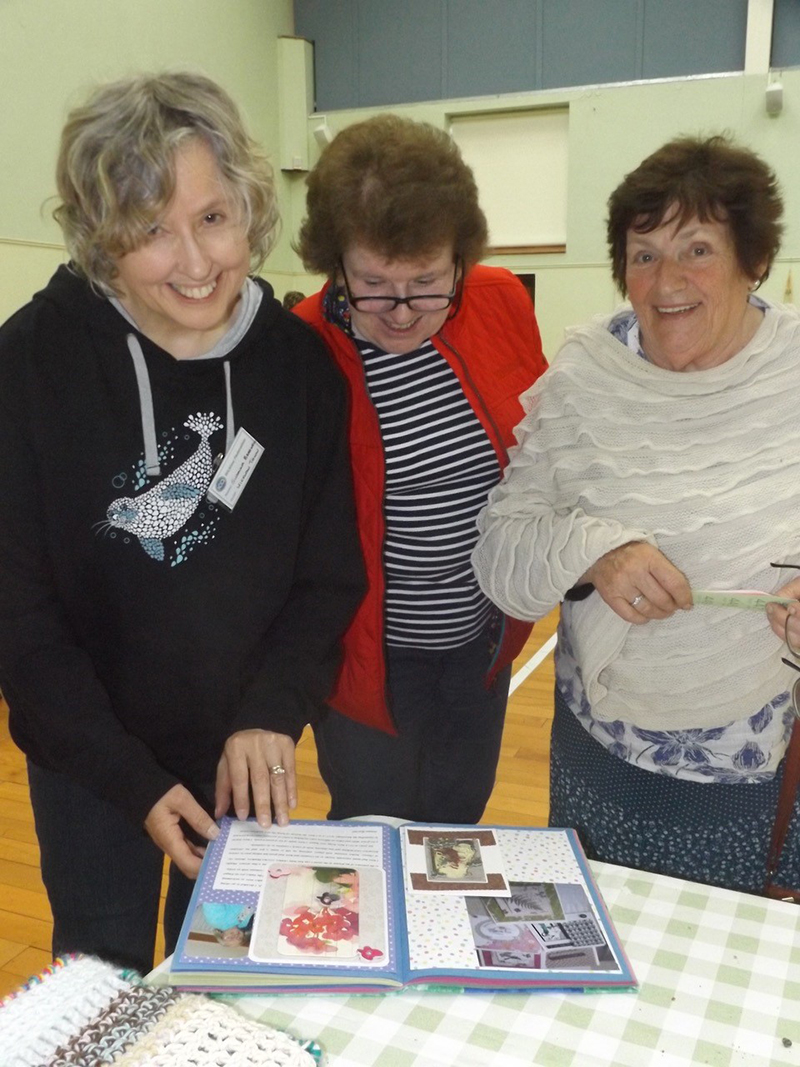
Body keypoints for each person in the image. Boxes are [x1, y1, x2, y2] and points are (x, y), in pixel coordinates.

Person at [0, 71, 365, 973]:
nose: (195, 262)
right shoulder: (28, 366)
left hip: (248, 758)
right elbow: (20, 622)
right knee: (105, 975)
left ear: (249, 210)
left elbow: (328, 578)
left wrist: (274, 714)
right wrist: (127, 778)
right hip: (91, 763)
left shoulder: (300, 367)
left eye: (212, 218)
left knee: (221, 976)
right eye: (152, 230)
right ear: (100, 239)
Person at [473, 135, 800, 893]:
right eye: (643, 253)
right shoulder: (588, 370)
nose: (667, 280)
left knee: (721, 995)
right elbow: (500, 551)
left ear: (753, 261)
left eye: (698, 248)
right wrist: (593, 550)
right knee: (592, 970)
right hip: (595, 763)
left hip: (751, 781)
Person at [292, 114, 547, 823]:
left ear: (460, 258)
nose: (403, 312)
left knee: (458, 818)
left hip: (479, 643)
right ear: (334, 263)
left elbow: (544, 451)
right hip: (366, 662)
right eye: (374, 284)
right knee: (374, 827)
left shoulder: (499, 301)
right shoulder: (301, 351)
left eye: (429, 282)